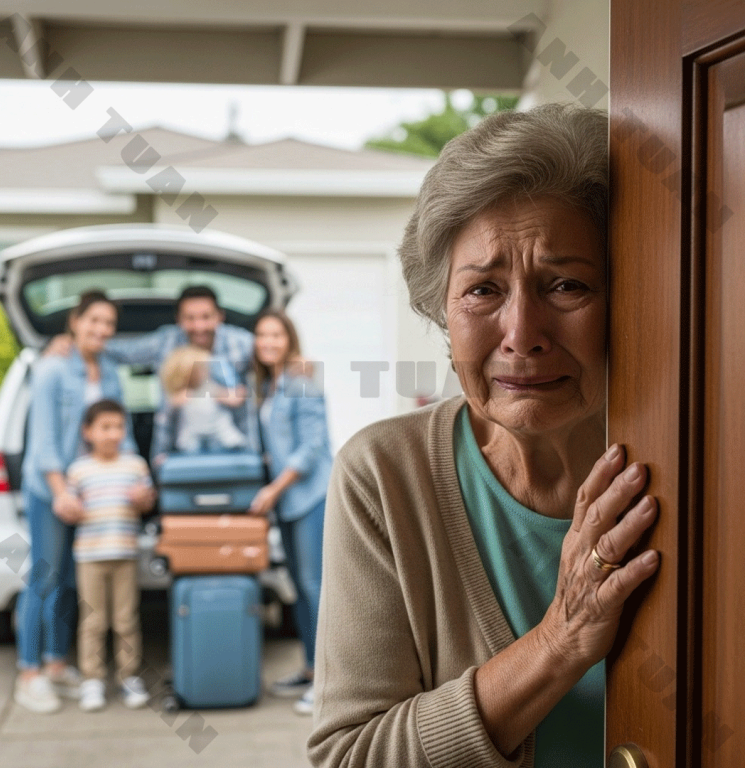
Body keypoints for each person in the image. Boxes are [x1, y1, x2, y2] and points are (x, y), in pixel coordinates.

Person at [308, 104, 660, 767]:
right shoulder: (384, 476)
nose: (522, 333)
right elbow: (351, 756)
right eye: (482, 291)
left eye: (567, 284)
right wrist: (561, 639)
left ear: (627, 298)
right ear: (441, 311)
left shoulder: (696, 459)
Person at [15, 291, 150, 713]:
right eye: (94, 321)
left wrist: (136, 475)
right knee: (44, 578)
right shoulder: (52, 367)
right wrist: (60, 492)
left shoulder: (109, 369)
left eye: (108, 324)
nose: (101, 330)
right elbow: (44, 438)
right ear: (75, 321)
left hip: (94, 489)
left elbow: (120, 430)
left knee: (73, 583)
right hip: (53, 488)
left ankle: (57, 664)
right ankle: (29, 672)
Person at [46, 285, 252, 462]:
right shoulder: (167, 341)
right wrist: (72, 341)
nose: (199, 326)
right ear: (178, 320)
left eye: (206, 317)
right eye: (190, 318)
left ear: (220, 317)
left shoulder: (242, 344)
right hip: (175, 451)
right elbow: (123, 350)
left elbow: (275, 354)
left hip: (237, 452)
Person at [248, 310, 333, 716]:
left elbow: (311, 446)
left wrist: (273, 488)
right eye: (261, 336)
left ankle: (327, 682)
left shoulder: (301, 380)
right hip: (288, 499)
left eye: (275, 335)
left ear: (289, 339)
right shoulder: (272, 383)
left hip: (310, 495)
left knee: (315, 587)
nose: (267, 342)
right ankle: (310, 667)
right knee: (299, 587)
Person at [66, 399, 155, 712]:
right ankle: (92, 679)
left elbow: (148, 502)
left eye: (118, 427)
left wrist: (144, 499)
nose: (112, 434)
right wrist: (68, 507)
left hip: (124, 553)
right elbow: (69, 510)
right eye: (105, 427)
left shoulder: (135, 465)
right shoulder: (78, 471)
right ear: (87, 432)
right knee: (92, 621)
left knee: (126, 619)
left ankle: (128, 676)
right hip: (89, 556)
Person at [159, 345, 247, 453]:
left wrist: (237, 394)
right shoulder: (185, 393)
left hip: (217, 428)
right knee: (187, 440)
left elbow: (232, 398)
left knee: (225, 430)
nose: (206, 371)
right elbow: (173, 402)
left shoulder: (210, 387)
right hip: (193, 432)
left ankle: (233, 443)